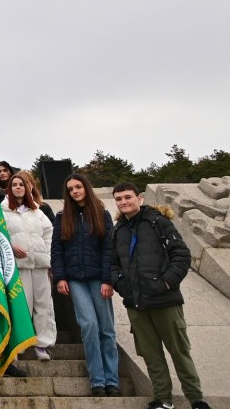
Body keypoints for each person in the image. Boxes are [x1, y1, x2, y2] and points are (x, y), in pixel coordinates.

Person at [110, 182, 210, 409]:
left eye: (127, 197)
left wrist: (166, 283)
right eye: (119, 199)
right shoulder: (118, 230)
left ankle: (196, 399)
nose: (124, 202)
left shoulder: (159, 222)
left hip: (165, 301)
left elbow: (182, 255)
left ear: (140, 198)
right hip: (136, 303)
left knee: (179, 352)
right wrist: (121, 285)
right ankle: (164, 400)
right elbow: (112, 263)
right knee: (151, 355)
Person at [51, 173, 119, 398]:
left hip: (100, 279)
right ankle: (97, 380)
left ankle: (113, 380)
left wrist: (108, 279)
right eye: (70, 189)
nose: (75, 191)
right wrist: (60, 277)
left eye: (78, 187)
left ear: (86, 188)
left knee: (106, 329)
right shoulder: (62, 217)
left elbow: (109, 249)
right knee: (89, 325)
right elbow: (57, 250)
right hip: (75, 279)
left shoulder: (102, 214)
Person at [2, 171, 56, 360]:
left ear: (28, 188)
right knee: (22, 304)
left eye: (21, 185)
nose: (18, 187)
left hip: (40, 265)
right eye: (14, 184)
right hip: (19, 266)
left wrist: (49, 257)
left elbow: (49, 234)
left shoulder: (37, 211)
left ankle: (42, 344)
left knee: (43, 304)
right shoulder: (3, 212)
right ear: (9, 188)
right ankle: (20, 343)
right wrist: (10, 246)